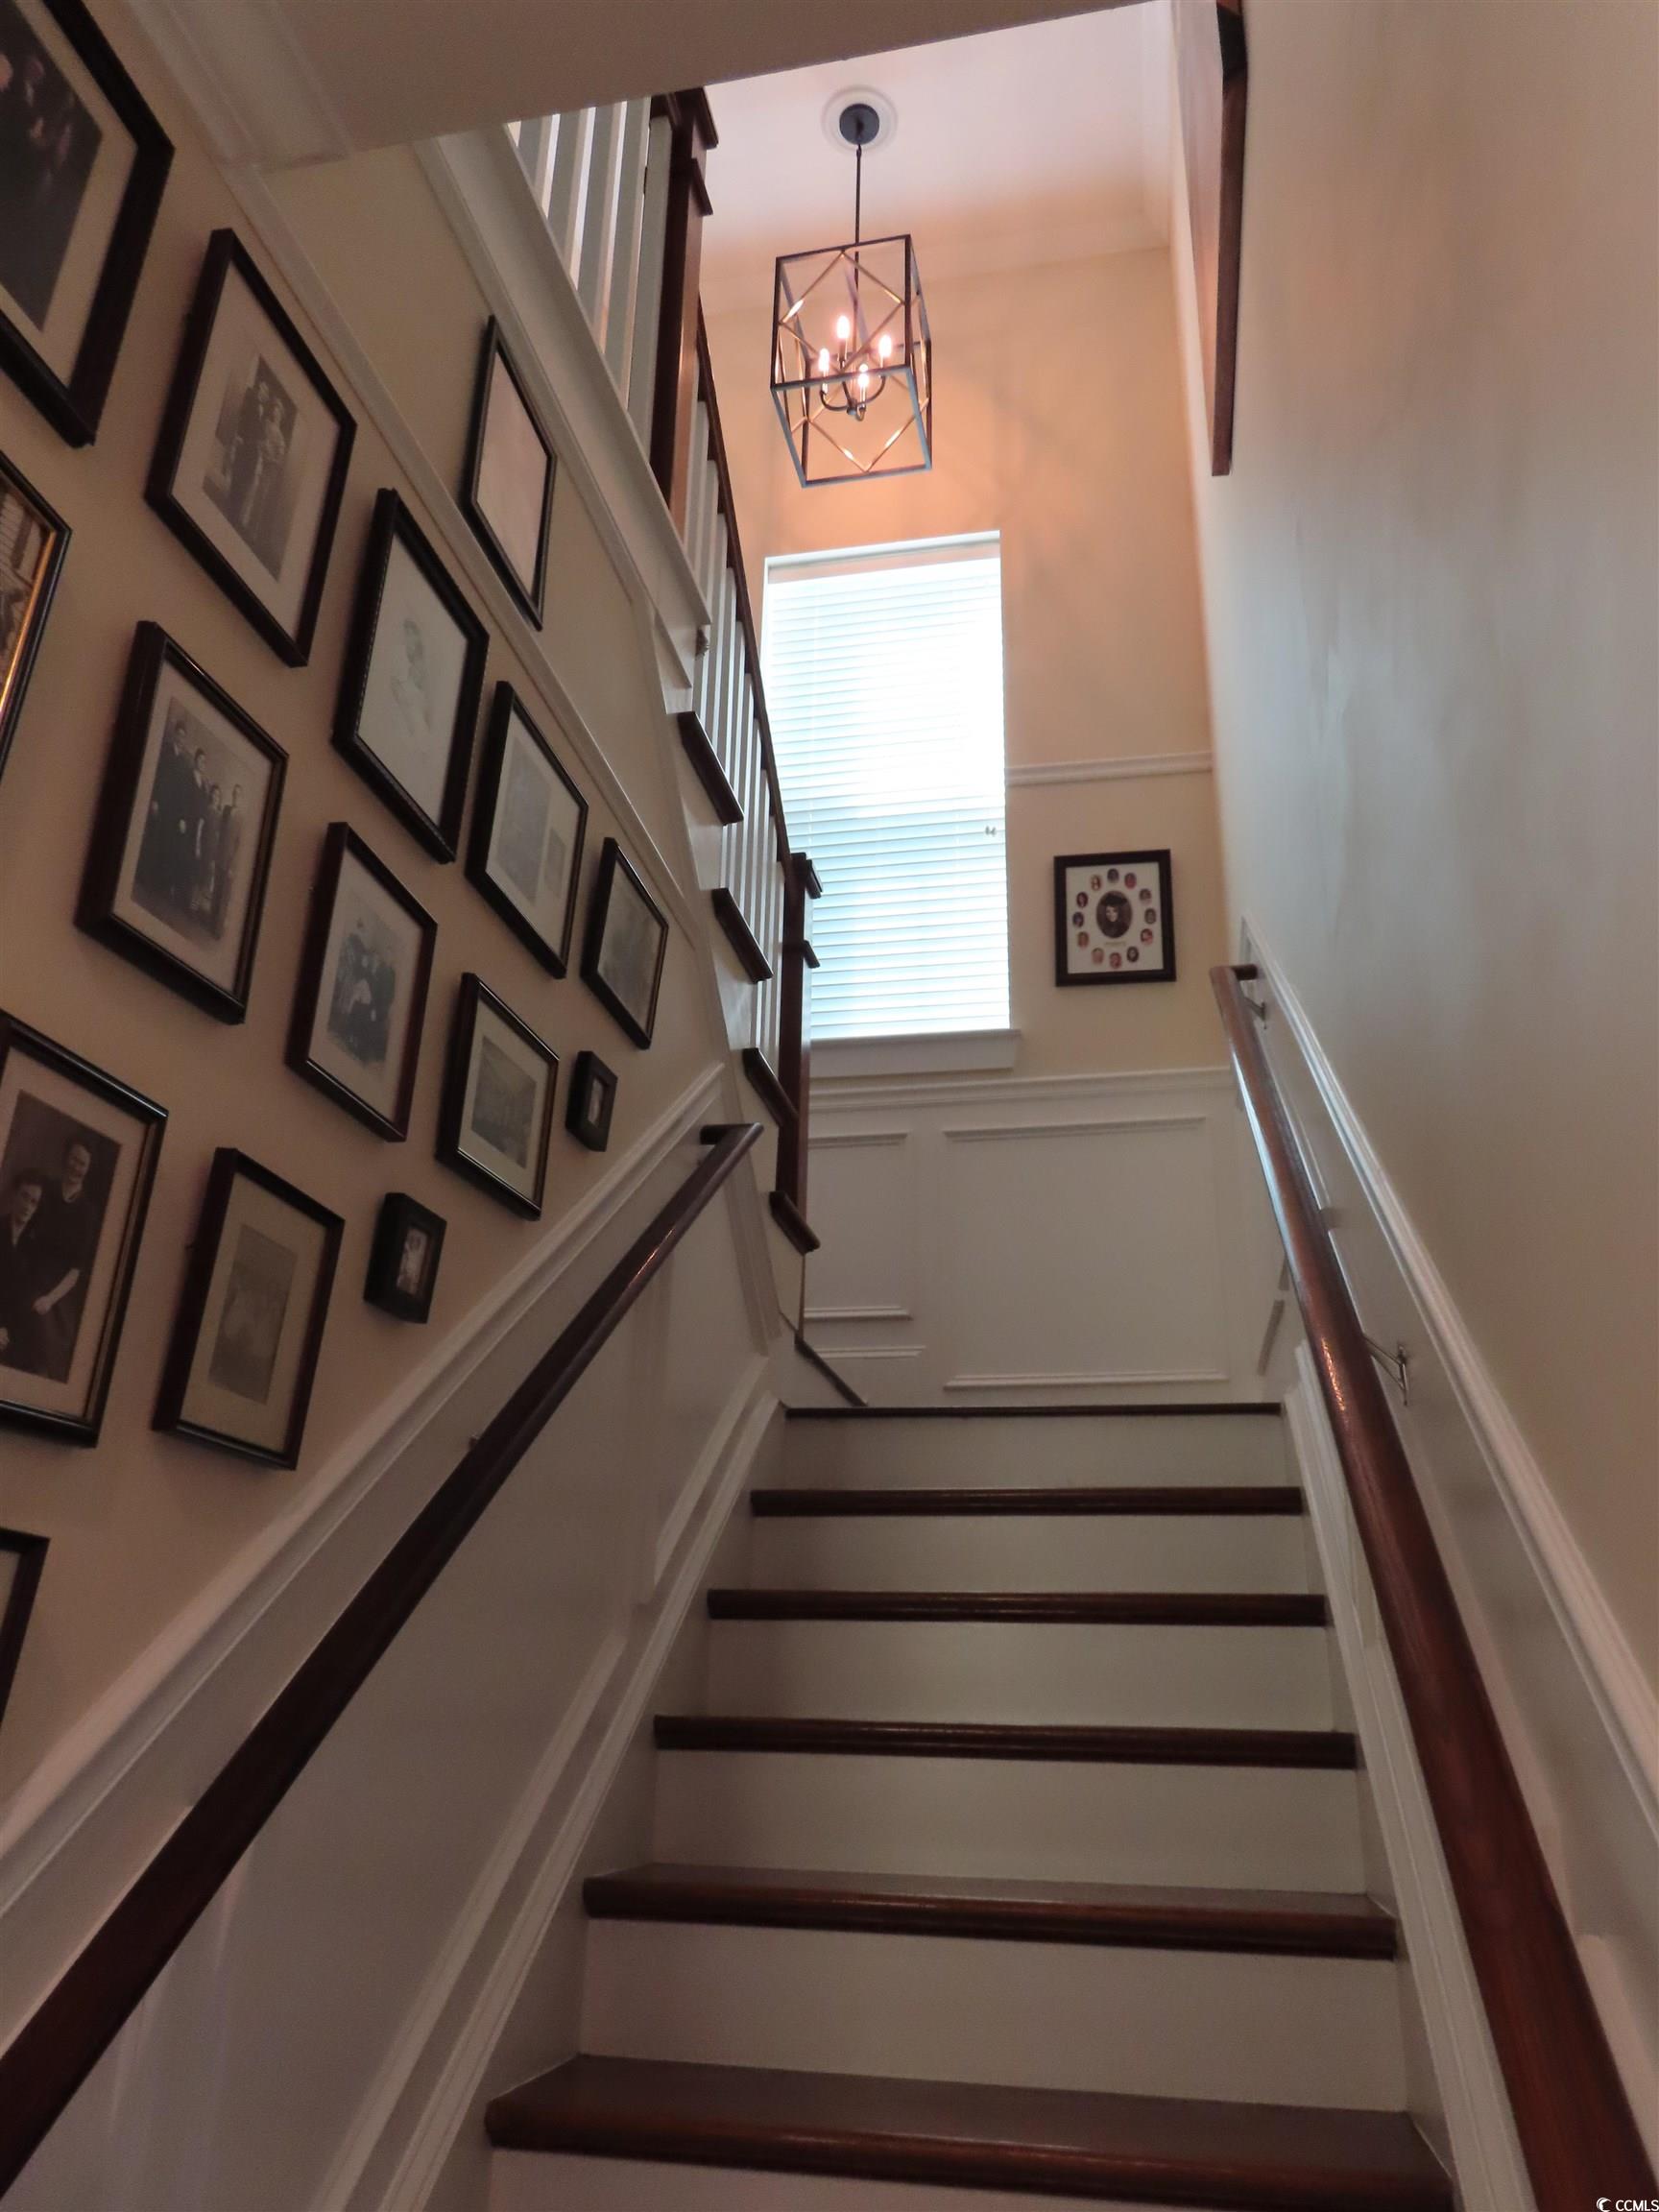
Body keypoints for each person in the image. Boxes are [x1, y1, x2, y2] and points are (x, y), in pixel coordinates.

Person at [31, 1135, 100, 1382]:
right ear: (65, 1158)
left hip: (59, 1292)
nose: (76, 1167)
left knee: (51, 1344)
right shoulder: (46, 1189)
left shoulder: (88, 1213)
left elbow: (76, 1269)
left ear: (88, 1169)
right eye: (73, 1159)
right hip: (29, 1273)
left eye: (82, 1163)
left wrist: (50, 1299)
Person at [0, 1166, 49, 1375]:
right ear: (14, 1194)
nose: (27, 1206)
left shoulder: (34, 1245)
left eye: (34, 1202)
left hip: (14, 1326)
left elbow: (24, 1295)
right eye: (24, 1196)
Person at [211, 782, 245, 939]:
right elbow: (219, 834)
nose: (235, 796)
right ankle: (210, 923)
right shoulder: (225, 810)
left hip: (230, 863)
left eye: (238, 795)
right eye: (234, 793)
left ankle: (217, 930)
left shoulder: (241, 819)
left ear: (241, 797)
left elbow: (239, 845)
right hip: (220, 857)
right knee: (216, 891)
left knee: (224, 896)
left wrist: (232, 866)